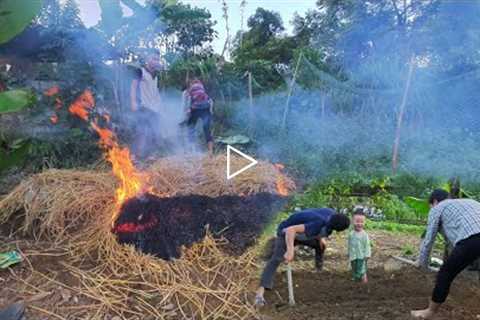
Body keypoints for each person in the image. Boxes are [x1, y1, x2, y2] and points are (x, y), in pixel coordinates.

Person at [255, 208, 350, 306]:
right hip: (286, 233)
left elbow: (317, 224)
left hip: (303, 234)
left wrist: (320, 238)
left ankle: (318, 271)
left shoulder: (332, 215)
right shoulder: (318, 223)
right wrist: (290, 250)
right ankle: (259, 294)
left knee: (321, 246)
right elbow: (290, 230)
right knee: (276, 259)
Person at [411, 189, 480, 319]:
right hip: (473, 237)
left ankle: (430, 312)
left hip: (473, 237)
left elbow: (428, 240)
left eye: (430, 205)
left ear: (435, 201)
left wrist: (422, 264)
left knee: (446, 273)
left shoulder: (438, 208)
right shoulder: (469, 202)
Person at [130, 52, 163, 159]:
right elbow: (133, 87)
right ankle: (134, 156)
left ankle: (151, 156)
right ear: (148, 59)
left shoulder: (156, 75)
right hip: (143, 106)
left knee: (154, 132)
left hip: (155, 109)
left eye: (157, 59)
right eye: (154, 58)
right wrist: (133, 102)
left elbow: (156, 92)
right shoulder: (140, 71)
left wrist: (160, 105)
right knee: (140, 131)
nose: (156, 61)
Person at [183, 79, 214, 154]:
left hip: (195, 109)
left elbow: (189, 101)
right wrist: (211, 111)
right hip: (205, 109)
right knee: (207, 130)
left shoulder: (189, 90)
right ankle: (210, 151)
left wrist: (187, 111)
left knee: (191, 129)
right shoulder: (202, 89)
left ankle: (192, 150)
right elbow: (210, 101)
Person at [348, 208, 371, 283]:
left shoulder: (364, 235)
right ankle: (355, 278)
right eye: (357, 221)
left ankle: (364, 280)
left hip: (361, 255)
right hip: (353, 255)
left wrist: (367, 254)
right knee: (354, 267)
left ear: (364, 222)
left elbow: (367, 245)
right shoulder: (351, 234)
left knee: (362, 268)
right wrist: (348, 253)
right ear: (352, 221)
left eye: (361, 222)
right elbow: (349, 244)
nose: (359, 224)